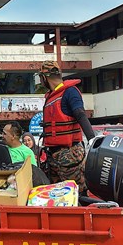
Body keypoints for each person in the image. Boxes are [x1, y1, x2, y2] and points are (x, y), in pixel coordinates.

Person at [38, 60, 95, 194]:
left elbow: (80, 114)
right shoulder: (51, 96)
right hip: (53, 155)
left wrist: (92, 139)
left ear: (44, 77)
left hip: (70, 153)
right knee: (57, 195)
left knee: (76, 193)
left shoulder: (70, 92)